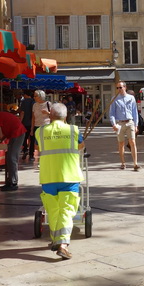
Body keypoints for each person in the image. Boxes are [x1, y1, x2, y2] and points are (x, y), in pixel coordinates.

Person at [36, 102, 84, 260]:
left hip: (48, 177)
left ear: (50, 116)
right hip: (69, 177)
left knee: (53, 211)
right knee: (67, 211)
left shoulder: (40, 132)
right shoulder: (73, 130)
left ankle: (56, 240)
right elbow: (81, 145)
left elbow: (38, 149)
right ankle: (63, 244)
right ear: (66, 117)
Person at [108, 81, 139, 170]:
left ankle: (135, 163)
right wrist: (113, 124)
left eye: (120, 87)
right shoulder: (114, 99)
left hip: (130, 122)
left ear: (125, 87)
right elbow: (112, 113)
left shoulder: (131, 98)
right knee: (121, 143)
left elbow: (135, 112)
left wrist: (136, 125)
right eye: (117, 88)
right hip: (120, 123)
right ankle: (123, 163)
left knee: (132, 142)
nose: (119, 89)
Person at [29, 90, 51, 163]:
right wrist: (32, 129)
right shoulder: (34, 105)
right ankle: (31, 155)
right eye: (34, 96)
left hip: (46, 126)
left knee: (44, 142)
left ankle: (44, 156)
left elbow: (54, 115)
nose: (34, 97)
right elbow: (33, 117)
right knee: (34, 142)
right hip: (36, 125)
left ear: (41, 96)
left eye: (35, 96)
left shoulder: (48, 104)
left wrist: (47, 112)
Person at [17, 90, 35, 159]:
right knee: (32, 138)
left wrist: (20, 122)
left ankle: (25, 150)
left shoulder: (24, 101)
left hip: (25, 122)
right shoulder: (34, 102)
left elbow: (22, 113)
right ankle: (31, 154)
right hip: (33, 123)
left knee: (24, 137)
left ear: (26, 95)